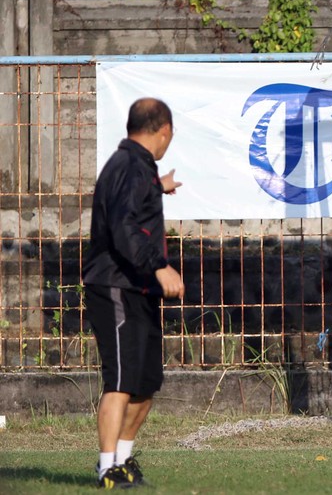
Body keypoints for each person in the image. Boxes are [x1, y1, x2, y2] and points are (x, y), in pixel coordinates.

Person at [83, 98, 185, 488]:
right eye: (170, 135)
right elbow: (123, 226)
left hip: (137, 287)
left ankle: (123, 462)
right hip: (115, 285)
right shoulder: (127, 165)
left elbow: (129, 201)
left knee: (145, 384)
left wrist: (159, 187)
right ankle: (106, 467)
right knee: (121, 381)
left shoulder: (139, 168)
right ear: (164, 130)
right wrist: (159, 265)